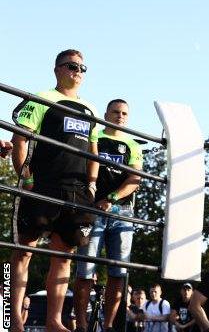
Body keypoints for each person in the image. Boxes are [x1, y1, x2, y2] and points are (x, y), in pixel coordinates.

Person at [8, 49, 101, 332]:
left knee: (63, 257)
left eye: (83, 68)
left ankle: (54, 321)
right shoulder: (42, 98)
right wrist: (23, 173)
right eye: (72, 66)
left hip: (76, 190)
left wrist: (93, 183)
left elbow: (94, 149)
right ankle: (12, 319)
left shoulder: (91, 109)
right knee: (23, 251)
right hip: (43, 184)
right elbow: (20, 137)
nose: (78, 71)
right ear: (57, 69)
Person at [74, 98, 143, 332]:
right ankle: (81, 324)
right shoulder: (95, 137)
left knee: (118, 273)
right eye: (115, 112)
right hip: (91, 209)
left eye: (124, 113)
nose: (120, 116)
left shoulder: (133, 145)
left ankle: (110, 325)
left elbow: (135, 179)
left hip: (122, 212)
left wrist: (111, 199)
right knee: (85, 270)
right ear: (106, 114)